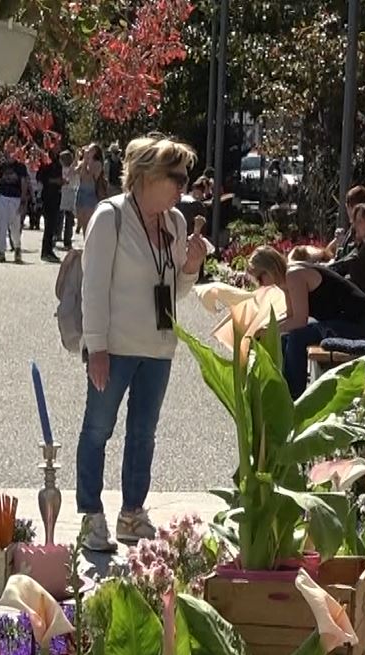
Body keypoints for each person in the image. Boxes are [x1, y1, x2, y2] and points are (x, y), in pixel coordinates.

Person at [77, 134, 210, 551]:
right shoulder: (110, 216)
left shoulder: (175, 222)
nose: (184, 186)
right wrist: (95, 346)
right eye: (177, 177)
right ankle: (90, 516)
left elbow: (175, 291)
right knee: (98, 429)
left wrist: (190, 267)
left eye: (186, 178)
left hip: (158, 347)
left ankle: (132, 514)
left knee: (143, 434)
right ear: (147, 176)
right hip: (114, 347)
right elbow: (93, 286)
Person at [246, 246, 365, 400]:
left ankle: (293, 397)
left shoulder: (294, 276)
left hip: (363, 323)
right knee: (285, 338)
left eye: (260, 277)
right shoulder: (284, 280)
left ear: (269, 269)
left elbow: (299, 321)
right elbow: (290, 316)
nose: (260, 283)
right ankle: (281, 387)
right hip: (343, 321)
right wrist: (266, 328)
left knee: (297, 337)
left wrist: (268, 331)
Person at [323, 185, 365, 259]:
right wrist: (339, 242)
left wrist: (340, 245)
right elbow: (328, 251)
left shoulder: (362, 232)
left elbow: (347, 260)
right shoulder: (357, 228)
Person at [0, 151, 29, 263]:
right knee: (2, 225)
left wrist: (23, 199)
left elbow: (23, 182)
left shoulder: (20, 167)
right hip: (3, 196)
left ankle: (17, 248)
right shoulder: (2, 165)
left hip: (16, 198)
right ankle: (1, 252)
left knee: (15, 225)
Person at [37, 150, 66, 262]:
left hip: (56, 196)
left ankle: (49, 250)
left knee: (53, 225)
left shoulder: (57, 162)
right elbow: (41, 178)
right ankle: (46, 251)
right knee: (49, 226)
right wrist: (55, 181)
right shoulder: (46, 162)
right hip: (48, 196)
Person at [74, 143, 106, 229]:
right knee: (81, 220)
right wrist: (77, 158)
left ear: (96, 152)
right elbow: (74, 172)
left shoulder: (97, 164)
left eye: (90, 150)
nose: (88, 151)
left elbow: (87, 176)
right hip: (80, 192)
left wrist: (85, 161)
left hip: (90, 193)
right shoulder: (84, 162)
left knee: (88, 223)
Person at [57, 149, 78, 252]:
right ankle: (58, 236)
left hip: (68, 195)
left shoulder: (71, 169)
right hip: (64, 194)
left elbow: (72, 171)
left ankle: (67, 240)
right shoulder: (62, 169)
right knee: (61, 218)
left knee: (69, 219)